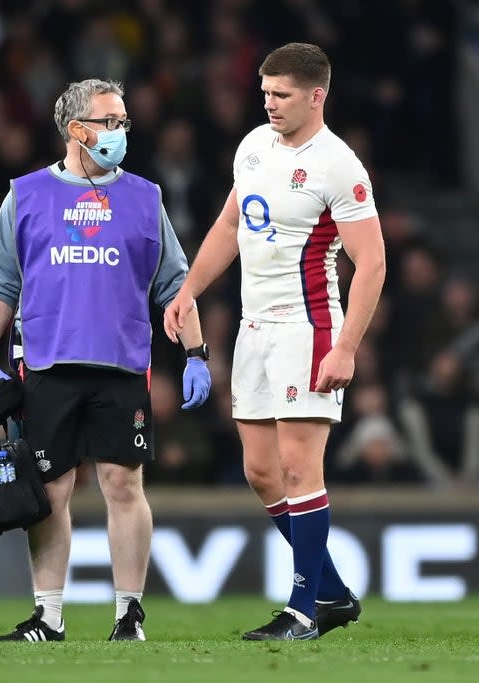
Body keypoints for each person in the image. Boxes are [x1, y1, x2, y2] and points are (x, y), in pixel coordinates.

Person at [0, 79, 211, 643]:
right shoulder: (25, 195)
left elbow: (175, 284)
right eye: (110, 121)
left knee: (123, 486)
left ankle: (129, 615)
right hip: (48, 363)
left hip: (121, 363)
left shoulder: (145, 198)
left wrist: (197, 353)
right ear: (78, 130)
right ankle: (48, 617)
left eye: (123, 121)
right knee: (50, 490)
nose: (121, 131)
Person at [165, 43, 386, 641]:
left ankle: (303, 610)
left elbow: (371, 263)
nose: (269, 104)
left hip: (308, 327)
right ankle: (334, 593)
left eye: (281, 94)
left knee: (297, 465)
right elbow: (232, 224)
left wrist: (345, 346)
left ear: (318, 96)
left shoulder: (338, 165)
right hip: (252, 327)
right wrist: (188, 291)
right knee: (261, 471)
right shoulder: (254, 147)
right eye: (264, 92)